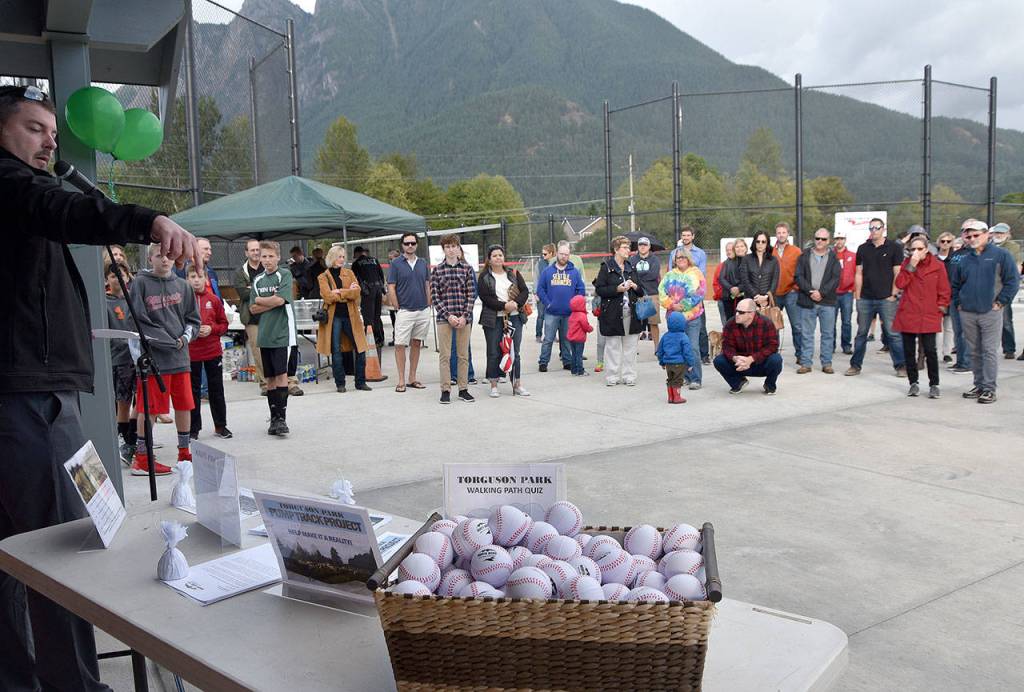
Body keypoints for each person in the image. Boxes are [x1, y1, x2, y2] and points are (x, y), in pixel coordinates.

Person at [0, 82, 199, 692]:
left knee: (13, 559)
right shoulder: (9, 185)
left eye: (54, 134)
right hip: (28, 400)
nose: (49, 143)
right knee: (60, 554)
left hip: (23, 394)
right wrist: (149, 220)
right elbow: (66, 210)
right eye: (35, 128)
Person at [129, 243, 201, 474]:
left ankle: (184, 453)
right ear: (150, 259)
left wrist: (184, 338)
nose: (165, 260)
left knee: (184, 405)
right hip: (152, 361)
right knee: (148, 409)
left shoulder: (183, 286)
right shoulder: (140, 283)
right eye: (159, 256)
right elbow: (137, 319)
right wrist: (164, 340)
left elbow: (193, 320)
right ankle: (141, 458)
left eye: (169, 255)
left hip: (180, 358)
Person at [950, 219, 1021, 404]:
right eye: (968, 235)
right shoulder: (964, 258)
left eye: (976, 235)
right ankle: (979, 384)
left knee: (989, 350)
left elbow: (1012, 281)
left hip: (990, 311)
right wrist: (958, 302)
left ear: (986, 234)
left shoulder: (1001, 255)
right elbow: (956, 284)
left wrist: (1001, 302)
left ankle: (989, 388)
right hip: (967, 311)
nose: (971, 238)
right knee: (974, 351)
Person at [845, 218, 906, 377]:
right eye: (871, 228)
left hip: (886, 298)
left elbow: (897, 273)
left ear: (883, 229)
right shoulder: (863, 248)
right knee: (861, 333)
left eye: (876, 228)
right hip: (865, 298)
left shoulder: (894, 247)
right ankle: (855, 365)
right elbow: (858, 273)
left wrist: (893, 293)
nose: (873, 231)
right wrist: (857, 296)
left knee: (892, 333)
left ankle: (900, 366)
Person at [893, 235, 951, 399]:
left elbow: (944, 290)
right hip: (909, 312)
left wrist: (940, 308)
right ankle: (913, 383)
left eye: (919, 249)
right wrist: (911, 266)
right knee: (909, 351)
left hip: (929, 313)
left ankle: (934, 384)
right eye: (913, 249)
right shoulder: (907, 264)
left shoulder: (937, 266)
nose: (916, 252)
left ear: (926, 249)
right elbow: (900, 284)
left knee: (930, 351)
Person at [250, 241, 299, 434]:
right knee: (269, 379)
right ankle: (273, 419)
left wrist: (262, 300)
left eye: (271, 256)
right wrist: (268, 301)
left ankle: (282, 419)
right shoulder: (258, 279)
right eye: (264, 256)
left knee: (281, 375)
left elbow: (281, 300)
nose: (267, 260)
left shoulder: (284, 274)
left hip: (282, 334)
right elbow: (253, 308)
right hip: (265, 335)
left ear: (278, 257)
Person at [316, 245, 371, 394]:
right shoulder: (323, 276)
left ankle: (361, 382)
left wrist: (339, 292)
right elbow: (327, 296)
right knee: (336, 351)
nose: (342, 259)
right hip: (334, 318)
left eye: (343, 257)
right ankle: (340, 383)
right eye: (339, 256)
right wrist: (347, 292)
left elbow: (357, 293)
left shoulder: (349, 273)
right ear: (332, 258)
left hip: (351, 316)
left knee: (360, 348)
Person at [478, 244, 530, 397]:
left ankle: (517, 384)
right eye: (494, 255)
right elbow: (485, 298)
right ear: (489, 259)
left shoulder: (513, 273)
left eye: (500, 255)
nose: (498, 258)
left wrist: (516, 304)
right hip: (493, 319)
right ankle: (494, 385)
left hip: (515, 317)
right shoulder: (484, 277)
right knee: (493, 352)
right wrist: (504, 305)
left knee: (515, 352)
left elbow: (525, 291)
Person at [431, 234, 477, 404]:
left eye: (453, 246)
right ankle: (445, 390)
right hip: (445, 319)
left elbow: (471, 295)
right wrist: (448, 315)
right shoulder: (437, 270)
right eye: (447, 247)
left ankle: (463, 389)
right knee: (445, 356)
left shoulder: (467, 269)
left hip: (464, 319)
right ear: (443, 249)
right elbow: (435, 296)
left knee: (463, 355)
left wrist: (465, 316)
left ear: (458, 248)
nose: (451, 249)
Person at [187, 264, 231, 438]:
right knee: (193, 392)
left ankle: (220, 426)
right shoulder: (183, 300)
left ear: (206, 278)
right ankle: (193, 429)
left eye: (199, 276)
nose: (196, 280)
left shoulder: (213, 300)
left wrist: (211, 329)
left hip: (212, 351)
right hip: (191, 353)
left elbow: (224, 325)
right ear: (186, 279)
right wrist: (192, 331)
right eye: (192, 277)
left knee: (216, 390)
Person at [595, 235, 645, 386]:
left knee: (631, 346)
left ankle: (629, 375)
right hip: (612, 313)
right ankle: (612, 376)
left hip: (630, 312)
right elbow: (600, 289)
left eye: (629, 247)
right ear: (616, 250)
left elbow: (641, 291)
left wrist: (635, 286)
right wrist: (617, 289)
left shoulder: (631, 267)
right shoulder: (606, 267)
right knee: (613, 345)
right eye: (625, 247)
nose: (628, 250)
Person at [388, 232, 431, 391]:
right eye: (407, 243)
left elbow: (427, 284)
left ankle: (412, 378)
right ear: (402, 245)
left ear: (417, 245)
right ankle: (401, 380)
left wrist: (428, 303)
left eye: (413, 243)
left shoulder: (422, 263)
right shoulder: (396, 264)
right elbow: (391, 286)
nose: (410, 246)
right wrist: (397, 306)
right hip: (404, 310)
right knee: (400, 344)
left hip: (422, 310)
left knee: (416, 343)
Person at [105, 262, 139, 463]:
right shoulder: (105, 303)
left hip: (138, 358)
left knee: (141, 400)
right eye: (112, 276)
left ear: (128, 276)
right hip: (119, 358)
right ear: (107, 280)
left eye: (121, 274)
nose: (117, 278)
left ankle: (134, 439)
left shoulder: (133, 299)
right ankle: (124, 438)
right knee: (123, 401)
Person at [794, 228, 841, 374]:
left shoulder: (834, 258)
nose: (820, 241)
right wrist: (811, 291)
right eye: (817, 238)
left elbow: (835, 278)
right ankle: (806, 363)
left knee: (827, 334)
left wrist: (822, 293)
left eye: (824, 239)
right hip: (808, 301)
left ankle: (826, 363)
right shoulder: (804, 256)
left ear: (829, 241)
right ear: (814, 239)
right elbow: (799, 276)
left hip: (827, 302)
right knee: (807, 333)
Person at [713, 298, 783, 395]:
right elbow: (727, 346)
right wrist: (735, 358)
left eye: (741, 312)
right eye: (736, 311)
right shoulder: (730, 324)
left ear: (751, 314)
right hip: (739, 364)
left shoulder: (766, 323)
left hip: (760, 362)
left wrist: (752, 359)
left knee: (776, 360)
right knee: (719, 360)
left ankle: (769, 385)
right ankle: (738, 383)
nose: (737, 314)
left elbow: (772, 346)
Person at [658, 248, 706, 389]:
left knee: (692, 347)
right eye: (678, 257)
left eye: (683, 257)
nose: (681, 259)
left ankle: (695, 378)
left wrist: (683, 306)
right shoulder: (669, 275)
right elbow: (661, 292)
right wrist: (672, 305)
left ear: (688, 258)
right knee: (678, 348)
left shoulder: (696, 273)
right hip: (674, 318)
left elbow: (701, 292)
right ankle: (683, 376)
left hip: (692, 316)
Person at [537, 240, 585, 372]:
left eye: (566, 254)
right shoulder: (547, 271)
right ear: (557, 254)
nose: (564, 256)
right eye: (562, 254)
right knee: (548, 339)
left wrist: (574, 304)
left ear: (569, 255)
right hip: (551, 312)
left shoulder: (574, 272)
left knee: (566, 339)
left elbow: (581, 290)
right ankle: (543, 362)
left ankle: (567, 361)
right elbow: (540, 289)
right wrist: (548, 303)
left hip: (568, 313)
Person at [234, 238, 269, 395]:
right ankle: (265, 384)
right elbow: (242, 293)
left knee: (274, 350)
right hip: (251, 319)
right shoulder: (240, 271)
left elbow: (274, 289)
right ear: (246, 252)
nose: (256, 252)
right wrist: (262, 290)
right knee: (258, 352)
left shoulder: (267, 267)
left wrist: (253, 289)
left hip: (270, 316)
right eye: (252, 250)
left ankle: (280, 381)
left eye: (257, 249)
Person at [670, 226, 709, 362]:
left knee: (701, 327)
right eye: (683, 235)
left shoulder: (700, 253)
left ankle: (704, 355)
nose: (685, 237)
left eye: (688, 235)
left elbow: (701, 275)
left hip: (695, 297)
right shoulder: (674, 253)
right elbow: (671, 273)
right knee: (680, 327)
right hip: (678, 299)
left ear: (693, 236)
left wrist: (691, 288)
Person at [772, 222, 804, 362]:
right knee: (774, 327)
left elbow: (802, 270)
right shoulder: (769, 251)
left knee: (797, 325)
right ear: (776, 234)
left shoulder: (796, 251)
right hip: (774, 294)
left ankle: (800, 354)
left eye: (783, 232)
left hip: (791, 292)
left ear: (788, 234)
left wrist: (796, 287)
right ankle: (773, 354)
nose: (781, 235)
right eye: (779, 232)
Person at [989, 223, 1021, 359]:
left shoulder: (1011, 247)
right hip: (987, 287)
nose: (998, 235)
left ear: (1008, 234)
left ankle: (1009, 348)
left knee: (1005, 319)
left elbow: (1014, 266)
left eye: (1002, 233)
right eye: (997, 232)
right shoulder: (988, 245)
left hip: (1003, 287)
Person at [448, 246, 478, 385]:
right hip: (449, 314)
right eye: (450, 248)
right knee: (453, 344)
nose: (454, 251)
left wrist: (465, 313)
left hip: (465, 314)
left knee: (465, 345)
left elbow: (473, 292)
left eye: (457, 249)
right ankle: (454, 375)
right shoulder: (443, 269)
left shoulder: (468, 269)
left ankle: (469, 374)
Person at [656, 311, 699, 404]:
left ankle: (670, 397)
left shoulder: (665, 336)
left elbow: (660, 350)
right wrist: (691, 363)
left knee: (670, 379)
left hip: (668, 364)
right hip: (679, 363)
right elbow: (688, 352)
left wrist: (661, 362)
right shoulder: (683, 337)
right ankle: (676, 397)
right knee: (678, 380)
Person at [351, 245, 387, 350]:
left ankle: (371, 339)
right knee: (377, 315)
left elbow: (355, 278)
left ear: (357, 253)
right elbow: (381, 275)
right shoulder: (374, 260)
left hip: (367, 291)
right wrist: (381, 289)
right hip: (378, 290)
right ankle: (380, 338)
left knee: (368, 316)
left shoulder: (356, 263)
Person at [632, 236, 662, 346]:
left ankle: (657, 347)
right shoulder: (632, 259)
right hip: (637, 294)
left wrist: (639, 276)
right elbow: (632, 275)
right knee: (635, 324)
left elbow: (653, 275)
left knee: (653, 323)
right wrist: (643, 275)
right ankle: (633, 349)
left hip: (652, 294)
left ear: (649, 246)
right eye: (640, 245)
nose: (643, 247)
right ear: (638, 246)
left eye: (645, 245)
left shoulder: (654, 259)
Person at [739, 229, 779, 310]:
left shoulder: (773, 260)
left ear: (767, 243)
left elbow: (775, 281)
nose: (760, 244)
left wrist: (765, 297)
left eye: (763, 242)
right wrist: (756, 296)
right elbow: (745, 280)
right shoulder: (746, 259)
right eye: (758, 241)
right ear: (754, 242)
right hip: (750, 301)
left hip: (767, 302)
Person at [832, 229, 856, 355]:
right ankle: (831, 345)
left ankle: (846, 345)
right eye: (837, 239)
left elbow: (857, 273)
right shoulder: (830, 254)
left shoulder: (852, 255)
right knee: (831, 321)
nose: (839, 241)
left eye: (841, 239)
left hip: (847, 292)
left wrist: (854, 289)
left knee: (846, 321)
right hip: (833, 293)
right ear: (834, 240)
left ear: (845, 240)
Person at [935, 231, 957, 363]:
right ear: (938, 242)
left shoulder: (956, 259)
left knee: (948, 327)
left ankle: (947, 352)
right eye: (943, 241)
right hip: (935, 296)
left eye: (948, 241)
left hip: (951, 296)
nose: (945, 244)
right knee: (936, 327)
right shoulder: (933, 258)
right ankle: (933, 352)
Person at [718, 238, 748, 324]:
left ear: (746, 248)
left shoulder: (750, 260)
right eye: (737, 247)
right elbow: (721, 278)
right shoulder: (728, 262)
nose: (739, 248)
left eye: (741, 246)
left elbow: (749, 278)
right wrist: (731, 288)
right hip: (729, 296)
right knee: (730, 321)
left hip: (744, 296)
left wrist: (739, 288)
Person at [567, 295, 593, 376]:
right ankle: (580, 371)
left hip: (571, 338)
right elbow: (585, 326)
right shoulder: (582, 315)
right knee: (579, 355)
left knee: (574, 354)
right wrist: (590, 329)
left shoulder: (572, 315)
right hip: (579, 339)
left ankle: (574, 370)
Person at [534, 243, 555, 342]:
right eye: (542, 254)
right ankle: (538, 335)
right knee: (541, 315)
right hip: (542, 294)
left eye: (545, 254)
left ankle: (552, 335)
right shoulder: (539, 264)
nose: (543, 256)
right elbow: (536, 279)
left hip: (553, 294)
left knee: (553, 316)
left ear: (552, 253)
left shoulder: (556, 263)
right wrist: (535, 293)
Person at [713, 241, 734, 326]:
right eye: (727, 250)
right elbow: (715, 283)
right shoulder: (721, 266)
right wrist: (722, 295)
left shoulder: (742, 264)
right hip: (724, 300)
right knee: (726, 326)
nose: (729, 252)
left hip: (737, 300)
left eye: (731, 249)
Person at [386, 248, 400, 345]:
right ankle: (396, 338)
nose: (391, 261)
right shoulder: (390, 269)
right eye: (389, 259)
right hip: (391, 298)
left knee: (400, 319)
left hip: (399, 298)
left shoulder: (400, 268)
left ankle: (400, 339)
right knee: (393, 318)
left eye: (392, 258)